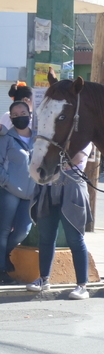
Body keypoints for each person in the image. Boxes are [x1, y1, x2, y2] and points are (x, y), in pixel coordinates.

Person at [27, 144, 92, 299]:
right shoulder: (53, 137)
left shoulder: (83, 140)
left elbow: (73, 161)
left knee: (75, 238)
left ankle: (82, 285)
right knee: (46, 237)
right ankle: (43, 279)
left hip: (71, 187)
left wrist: (49, 161)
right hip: (47, 187)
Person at [0, 101, 36, 283]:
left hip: (31, 194)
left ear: (29, 115)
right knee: (4, 230)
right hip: (10, 191)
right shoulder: (6, 138)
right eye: (15, 115)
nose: (19, 117)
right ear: (11, 118)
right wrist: (6, 182)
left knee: (23, 230)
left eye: (23, 113)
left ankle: (3, 254)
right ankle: (1, 271)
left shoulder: (39, 138)